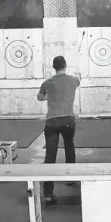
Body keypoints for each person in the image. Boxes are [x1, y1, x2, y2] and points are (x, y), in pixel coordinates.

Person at [37, 56, 80, 205]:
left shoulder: (47, 83)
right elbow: (78, 81)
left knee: (50, 155)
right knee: (69, 146)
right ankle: (71, 178)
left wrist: (51, 95)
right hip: (68, 120)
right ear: (65, 65)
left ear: (53, 67)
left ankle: (48, 193)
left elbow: (39, 98)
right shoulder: (74, 80)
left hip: (52, 121)